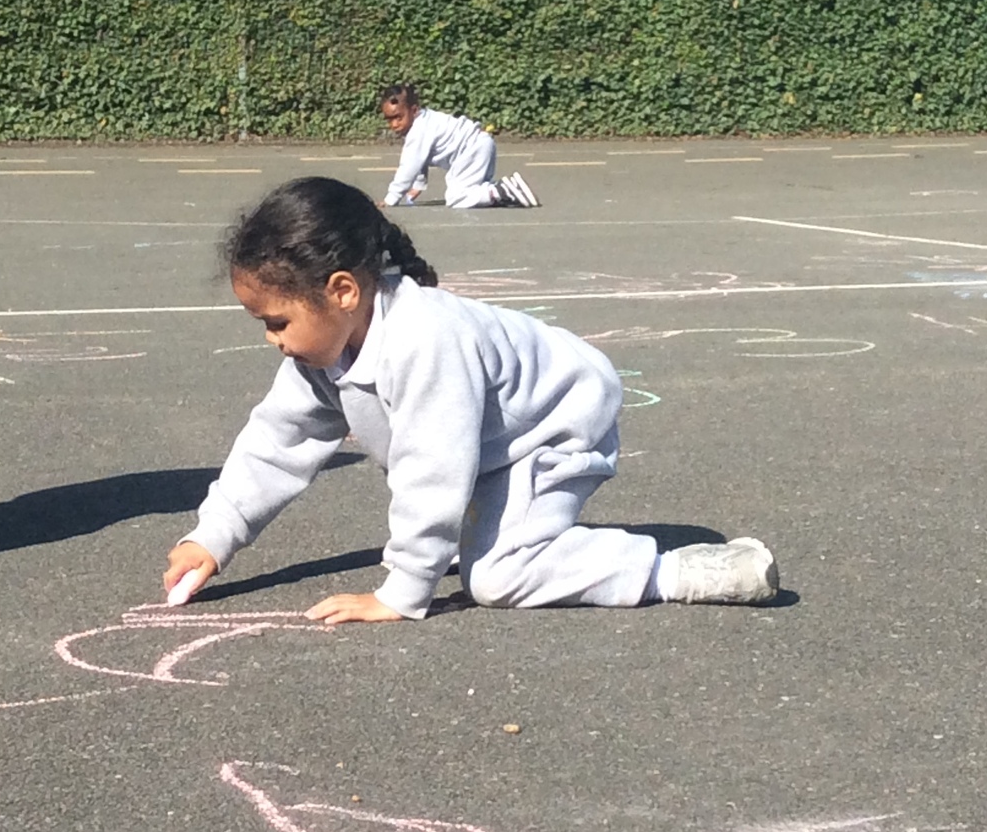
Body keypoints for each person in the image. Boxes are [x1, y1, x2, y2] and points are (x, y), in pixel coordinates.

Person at [163, 177, 778, 621]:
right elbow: (278, 441)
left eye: (276, 322)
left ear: (343, 291)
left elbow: (431, 467)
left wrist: (403, 591)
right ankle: (509, 531)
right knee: (478, 546)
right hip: (493, 441)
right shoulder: (323, 350)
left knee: (498, 577)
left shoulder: (424, 339)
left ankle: (679, 570)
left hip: (554, 425)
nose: (272, 340)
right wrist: (214, 536)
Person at [377, 84, 539, 209]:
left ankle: (501, 190)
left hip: (470, 149)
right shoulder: (426, 119)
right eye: (389, 119)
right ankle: (508, 192)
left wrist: (391, 198)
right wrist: (418, 186)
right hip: (481, 142)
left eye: (398, 117)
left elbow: (409, 166)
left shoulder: (418, 131)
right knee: (474, 189)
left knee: (456, 197)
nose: (394, 124)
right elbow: (420, 161)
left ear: (413, 110)